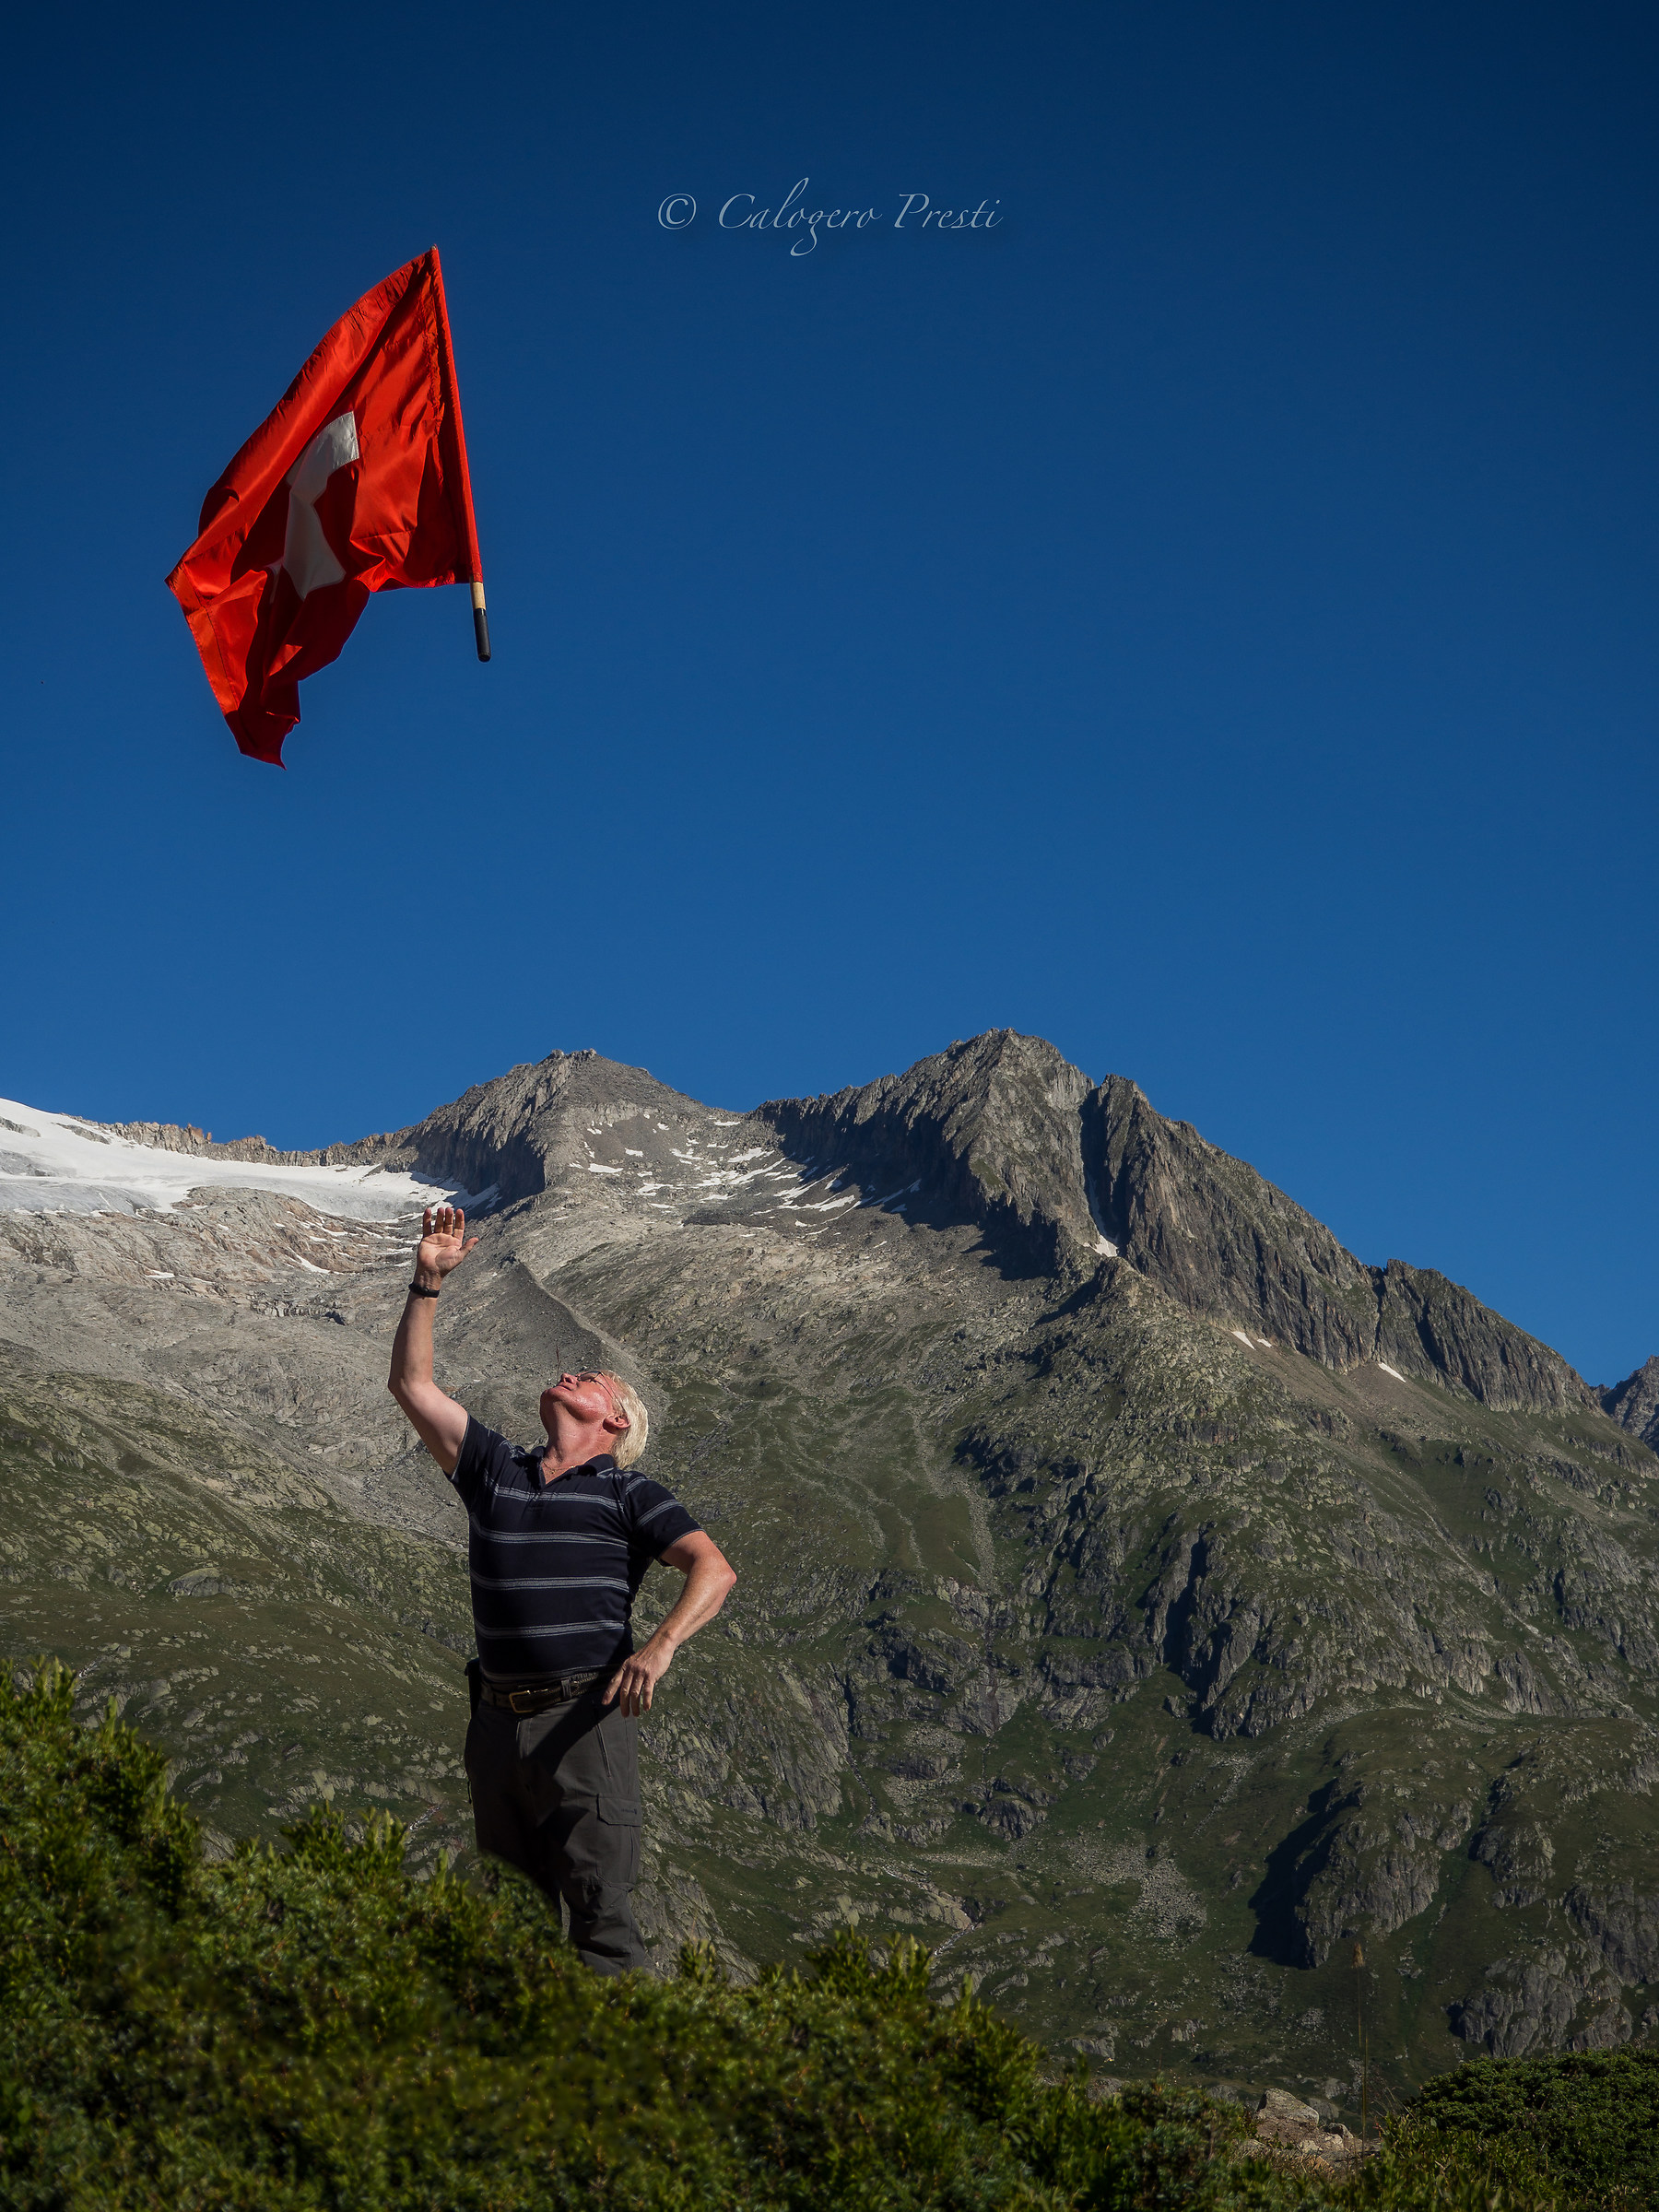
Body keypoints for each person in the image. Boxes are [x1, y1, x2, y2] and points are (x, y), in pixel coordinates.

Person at [387, 1202, 736, 1974]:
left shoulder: (627, 1493)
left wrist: (660, 1648)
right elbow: (411, 1385)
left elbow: (714, 1569)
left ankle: (621, 2054)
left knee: (600, 1921)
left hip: (583, 1723)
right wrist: (427, 1281)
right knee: (506, 1930)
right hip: (493, 1725)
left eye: (592, 1379)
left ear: (617, 1421)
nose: (570, 1374)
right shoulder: (495, 1469)